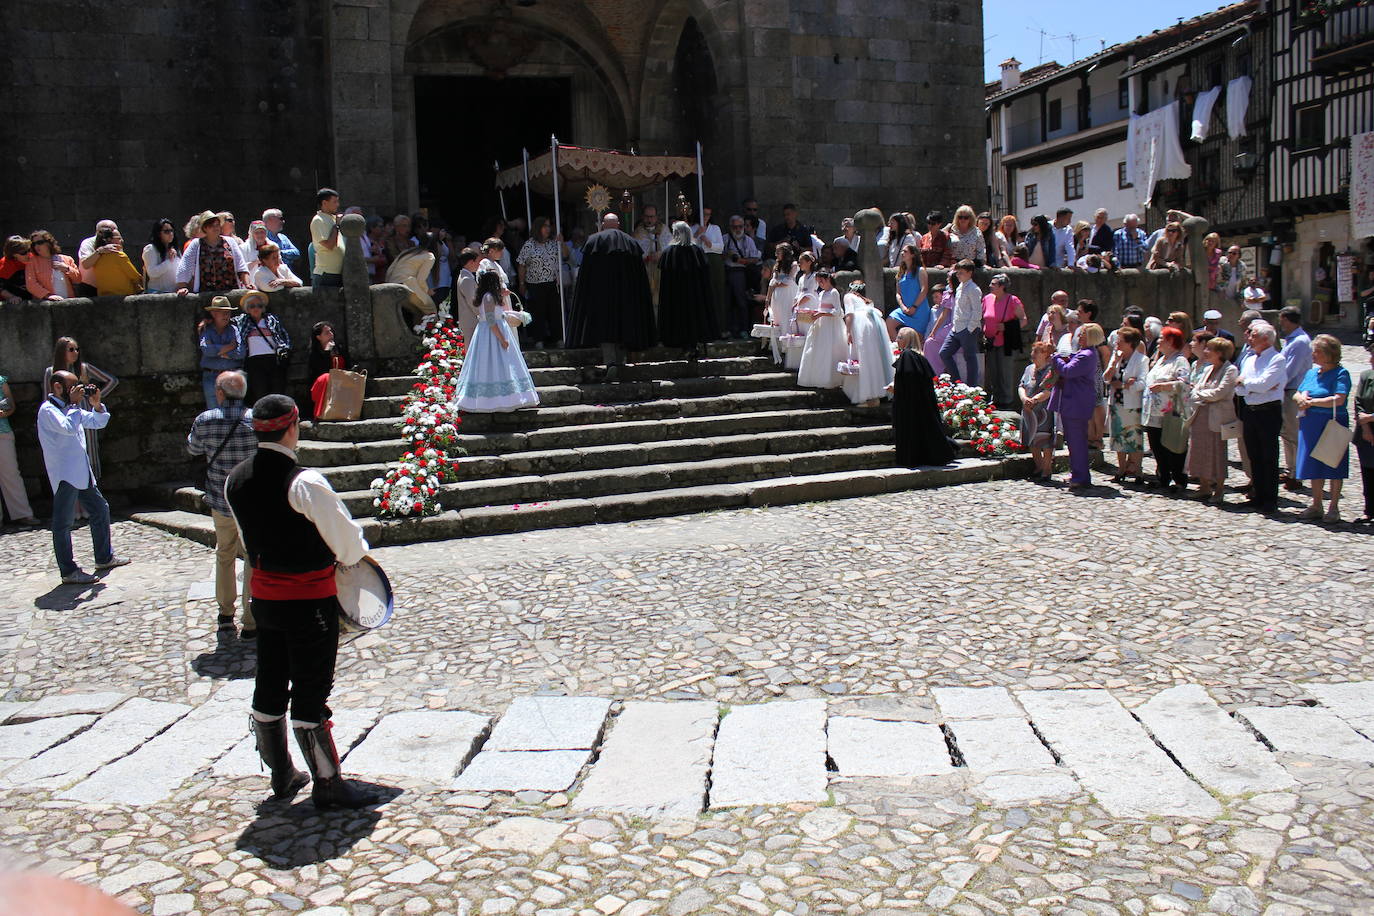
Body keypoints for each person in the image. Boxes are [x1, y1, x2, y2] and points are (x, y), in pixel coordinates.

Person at [224, 393, 375, 809]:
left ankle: (281, 774)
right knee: (311, 689)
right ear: (293, 427)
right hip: (310, 601)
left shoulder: (234, 479)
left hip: (264, 602)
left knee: (270, 681)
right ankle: (328, 784)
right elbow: (348, 545)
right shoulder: (303, 482)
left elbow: (247, 540)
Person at [38, 370, 131, 584]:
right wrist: (73, 405)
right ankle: (68, 571)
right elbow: (69, 428)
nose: (78, 392)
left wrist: (97, 404)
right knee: (63, 522)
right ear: (58, 387)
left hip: (81, 471)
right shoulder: (48, 410)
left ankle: (104, 557)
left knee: (100, 509)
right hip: (65, 474)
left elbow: (98, 422)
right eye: (73, 387)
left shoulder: (72, 408)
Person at [187, 370, 257, 637]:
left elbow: (193, 449)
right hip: (251, 502)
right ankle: (251, 619)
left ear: (219, 393)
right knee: (252, 556)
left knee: (224, 554)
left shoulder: (205, 421)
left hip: (220, 498)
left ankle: (225, 613)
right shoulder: (256, 421)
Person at [567, 213, 657, 379]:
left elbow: (586, 273)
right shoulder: (631, 242)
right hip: (626, 295)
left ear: (602, 224)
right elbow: (639, 274)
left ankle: (611, 363)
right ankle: (620, 363)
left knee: (605, 328)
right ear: (618, 224)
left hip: (601, 295)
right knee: (623, 325)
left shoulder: (594, 241)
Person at [451, 270, 539, 412]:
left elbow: (498, 313)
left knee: (503, 364)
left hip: (496, 330)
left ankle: (510, 397)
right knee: (493, 363)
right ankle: (492, 401)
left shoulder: (491, 297)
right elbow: (491, 321)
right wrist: (502, 339)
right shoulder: (488, 298)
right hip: (492, 334)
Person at [1293, 334, 1352, 521]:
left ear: (1328, 354)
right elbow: (1298, 391)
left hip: (1331, 423)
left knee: (1332, 463)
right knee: (1313, 464)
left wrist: (1313, 402)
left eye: (1316, 351)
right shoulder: (1312, 373)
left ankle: (1333, 507)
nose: (1313, 354)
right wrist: (1300, 399)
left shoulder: (1341, 373)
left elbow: (1339, 398)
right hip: (1310, 423)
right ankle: (1316, 504)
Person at [44, 337, 117, 488]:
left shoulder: (84, 368)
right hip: (61, 418)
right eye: (71, 349)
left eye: (77, 349)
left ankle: (90, 488)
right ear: (61, 351)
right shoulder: (51, 372)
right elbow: (47, 396)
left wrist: (94, 397)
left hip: (83, 414)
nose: (75, 352)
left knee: (88, 451)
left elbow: (112, 381)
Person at [1235, 319, 1286, 512]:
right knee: (1253, 455)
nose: (1249, 337)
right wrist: (1250, 386)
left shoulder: (1277, 359)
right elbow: (1239, 387)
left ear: (1265, 339)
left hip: (1268, 412)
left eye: (1254, 335)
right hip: (1250, 410)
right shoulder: (1249, 359)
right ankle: (1257, 493)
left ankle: (1270, 498)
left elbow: (1264, 384)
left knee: (1269, 456)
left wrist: (1248, 385)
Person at [890, 328, 956, 467]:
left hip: (911, 403)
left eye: (900, 337)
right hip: (922, 403)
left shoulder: (908, 356)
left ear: (907, 339)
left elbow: (908, 378)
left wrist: (895, 388)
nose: (897, 340)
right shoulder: (919, 357)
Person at [1187, 335, 1239, 503]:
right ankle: (1204, 486)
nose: (1206, 352)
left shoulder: (1230, 370)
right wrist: (1200, 394)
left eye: (1210, 349)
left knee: (1216, 452)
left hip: (1216, 417)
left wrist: (1200, 394)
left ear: (1220, 353)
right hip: (1201, 415)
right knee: (1199, 450)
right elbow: (1196, 387)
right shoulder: (1208, 369)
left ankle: (1219, 489)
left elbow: (1220, 393)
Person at [1050, 325, 1102, 490]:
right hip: (1075, 401)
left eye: (1083, 335)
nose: (1079, 337)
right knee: (1073, 441)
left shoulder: (1086, 355)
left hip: (1076, 402)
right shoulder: (1085, 353)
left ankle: (1081, 476)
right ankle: (1077, 473)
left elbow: (1067, 371)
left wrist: (1056, 357)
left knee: (1077, 441)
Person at [1142, 326, 1191, 493]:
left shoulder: (1180, 360)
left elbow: (1184, 384)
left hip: (1170, 412)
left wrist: (1164, 386)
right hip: (1154, 411)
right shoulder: (1161, 359)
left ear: (1171, 341)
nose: (1158, 341)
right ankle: (1163, 477)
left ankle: (1179, 479)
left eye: (1162, 338)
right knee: (1157, 446)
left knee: (1173, 445)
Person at [656, 221, 717, 353]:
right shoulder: (697, 251)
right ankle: (693, 345)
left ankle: (682, 344)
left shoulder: (669, 252)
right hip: (695, 296)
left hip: (675, 296)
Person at [1105, 327, 1148, 484]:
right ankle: (1121, 469)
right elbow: (1106, 378)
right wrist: (1113, 364)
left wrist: (1123, 385)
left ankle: (1137, 470)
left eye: (1120, 341)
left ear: (1130, 343)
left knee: (1134, 438)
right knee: (1118, 438)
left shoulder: (1141, 360)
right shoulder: (1116, 357)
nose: (1117, 343)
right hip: (1116, 403)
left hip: (1131, 404)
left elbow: (1142, 383)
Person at [841, 280, 893, 406]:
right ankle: (876, 393)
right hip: (873, 325)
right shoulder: (867, 301)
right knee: (873, 359)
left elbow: (850, 314)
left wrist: (848, 331)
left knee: (863, 358)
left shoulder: (849, 296)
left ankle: (866, 395)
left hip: (860, 325)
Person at [516, 217, 566, 348]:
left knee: (555, 312)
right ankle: (539, 339)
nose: (548, 229)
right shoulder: (529, 244)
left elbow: (565, 255)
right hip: (535, 284)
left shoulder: (553, 243)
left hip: (552, 283)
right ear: (538, 228)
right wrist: (521, 283)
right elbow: (521, 264)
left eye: (549, 226)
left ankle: (558, 338)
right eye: (545, 226)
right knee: (538, 312)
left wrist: (562, 242)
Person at [1277, 305, 1313, 489]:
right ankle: (1290, 469)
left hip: (1293, 390)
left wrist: (1276, 382)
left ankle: (1297, 474)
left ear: (1288, 320)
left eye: (1282, 320)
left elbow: (1291, 370)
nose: (1280, 324)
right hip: (1287, 390)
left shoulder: (1299, 341)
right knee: (1287, 433)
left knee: (1294, 434)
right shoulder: (1292, 339)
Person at [236, 291, 290, 405]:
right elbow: (225, 321)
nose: (256, 308)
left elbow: (283, 336)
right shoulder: (243, 320)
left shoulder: (271, 319)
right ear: (247, 309)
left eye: (259, 306)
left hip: (273, 359)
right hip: (254, 362)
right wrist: (207, 320)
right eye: (252, 306)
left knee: (277, 391)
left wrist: (284, 349)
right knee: (260, 392)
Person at [980, 274, 1027, 408]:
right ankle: (996, 399)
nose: (990, 286)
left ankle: (1006, 402)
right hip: (990, 340)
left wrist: (1006, 327)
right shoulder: (987, 299)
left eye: (993, 284)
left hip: (1006, 341)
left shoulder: (1013, 301)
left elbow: (1023, 320)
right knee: (993, 372)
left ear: (1002, 286)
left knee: (1005, 372)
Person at [0, 369, 40, 525]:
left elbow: (10, 405)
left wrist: (5, 411)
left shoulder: (1, 381)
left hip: (2, 431)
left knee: (11, 473)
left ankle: (23, 513)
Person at [176, 212, 248, 295]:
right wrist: (182, 287)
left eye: (217, 225)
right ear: (205, 228)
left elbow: (241, 265)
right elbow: (185, 267)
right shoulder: (196, 244)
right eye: (211, 225)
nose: (215, 228)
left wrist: (247, 283)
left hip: (230, 291)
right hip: (205, 293)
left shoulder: (230, 242)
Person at [796, 270, 846, 389]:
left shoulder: (834, 292)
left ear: (828, 279)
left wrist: (821, 314)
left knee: (830, 350)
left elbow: (838, 312)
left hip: (831, 325)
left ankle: (831, 379)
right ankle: (819, 378)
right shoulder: (822, 293)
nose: (820, 284)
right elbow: (820, 308)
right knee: (819, 350)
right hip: (821, 324)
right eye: (818, 282)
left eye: (821, 281)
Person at [938, 259, 982, 386]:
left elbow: (977, 312)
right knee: (944, 353)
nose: (958, 275)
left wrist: (970, 328)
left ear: (969, 273)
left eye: (961, 273)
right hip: (956, 328)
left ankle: (971, 388)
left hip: (967, 329)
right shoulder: (961, 287)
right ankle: (957, 383)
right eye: (957, 273)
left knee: (970, 358)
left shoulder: (973, 289)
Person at [1018, 340, 1057, 479]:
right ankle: (1039, 466)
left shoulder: (1051, 370)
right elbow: (1022, 385)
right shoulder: (1029, 369)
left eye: (1036, 352)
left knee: (1044, 440)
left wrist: (1035, 400)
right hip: (1028, 409)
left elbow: (1049, 390)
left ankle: (1047, 469)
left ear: (1046, 354)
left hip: (1043, 410)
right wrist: (1024, 399)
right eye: (1032, 351)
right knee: (1031, 439)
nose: (1032, 354)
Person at [198, 297, 245, 409]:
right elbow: (206, 350)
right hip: (211, 375)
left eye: (228, 313)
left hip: (233, 375)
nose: (226, 316)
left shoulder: (234, 329)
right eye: (223, 313)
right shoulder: (206, 330)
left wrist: (219, 352)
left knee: (236, 411)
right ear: (213, 314)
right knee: (214, 412)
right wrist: (229, 347)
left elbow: (241, 352)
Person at [306, 321, 351, 420]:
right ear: (318, 337)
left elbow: (349, 365)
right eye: (327, 333)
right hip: (324, 386)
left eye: (331, 332)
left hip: (342, 383)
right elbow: (322, 372)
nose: (331, 334)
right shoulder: (314, 354)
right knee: (326, 377)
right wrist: (327, 353)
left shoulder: (339, 348)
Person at [887, 243, 930, 341]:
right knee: (889, 322)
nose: (902, 253)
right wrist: (903, 307)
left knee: (917, 338)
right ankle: (898, 348)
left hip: (919, 310)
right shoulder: (900, 273)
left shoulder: (920, 271)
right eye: (902, 251)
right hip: (904, 309)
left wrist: (914, 307)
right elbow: (898, 293)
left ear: (913, 255)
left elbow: (924, 290)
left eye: (905, 251)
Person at [26, 230, 82, 301]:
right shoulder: (32, 262)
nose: (36, 246)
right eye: (33, 244)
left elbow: (78, 280)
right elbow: (31, 284)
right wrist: (47, 295)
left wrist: (67, 268)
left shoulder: (67, 259)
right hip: (46, 304)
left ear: (49, 243)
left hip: (68, 301)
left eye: (39, 242)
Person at [1352, 344, 1374, 524]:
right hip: (1365, 434)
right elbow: (1358, 401)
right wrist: (1366, 426)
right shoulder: (1367, 376)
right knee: (1368, 472)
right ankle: (1369, 509)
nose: (1371, 360)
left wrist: (1371, 418)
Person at [386, 243, 436, 320]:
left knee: (417, 312)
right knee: (431, 309)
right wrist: (427, 291)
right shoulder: (429, 256)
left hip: (392, 286)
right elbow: (421, 279)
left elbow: (390, 270)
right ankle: (435, 331)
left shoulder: (406, 252)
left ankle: (417, 331)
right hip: (408, 286)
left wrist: (388, 285)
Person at [90, 227, 143, 296]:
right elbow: (135, 276)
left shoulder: (96, 257)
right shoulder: (119, 256)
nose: (122, 240)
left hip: (103, 298)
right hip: (123, 297)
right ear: (109, 239)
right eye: (119, 238)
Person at [310, 188, 344, 290]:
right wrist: (337, 226)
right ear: (324, 203)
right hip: (326, 274)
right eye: (334, 202)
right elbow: (329, 245)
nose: (337, 205)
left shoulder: (333, 218)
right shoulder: (318, 220)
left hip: (338, 272)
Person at [76, 219, 118, 297]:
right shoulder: (87, 243)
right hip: (90, 287)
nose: (113, 233)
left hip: (110, 287)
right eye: (109, 230)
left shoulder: (115, 242)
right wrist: (99, 251)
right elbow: (85, 264)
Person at [140, 220, 181, 294]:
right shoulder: (151, 249)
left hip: (174, 293)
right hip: (157, 294)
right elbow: (152, 272)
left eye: (172, 231)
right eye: (166, 231)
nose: (171, 234)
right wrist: (169, 261)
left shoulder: (174, 249)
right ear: (159, 234)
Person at [767, 243, 797, 336]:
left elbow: (788, 281)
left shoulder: (793, 265)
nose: (776, 254)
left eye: (778, 252)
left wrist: (777, 284)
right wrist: (768, 297)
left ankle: (787, 338)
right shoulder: (777, 266)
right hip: (777, 295)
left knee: (786, 314)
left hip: (788, 294)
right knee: (777, 315)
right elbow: (772, 282)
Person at [452, 250, 480, 345]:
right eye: (477, 262)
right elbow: (473, 302)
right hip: (470, 320)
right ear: (471, 262)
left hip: (470, 320)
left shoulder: (466, 277)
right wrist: (483, 313)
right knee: (471, 349)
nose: (478, 265)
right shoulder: (466, 279)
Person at [923, 283, 952, 375]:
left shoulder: (949, 310)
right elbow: (930, 325)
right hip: (935, 337)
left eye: (937, 297)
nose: (935, 300)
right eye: (933, 297)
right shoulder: (933, 310)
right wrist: (926, 336)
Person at [262, 208, 301, 273]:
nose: (283, 221)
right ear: (270, 219)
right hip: (270, 275)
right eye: (280, 218)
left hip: (286, 274)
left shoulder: (283, 237)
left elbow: (296, 253)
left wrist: (280, 253)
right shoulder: (261, 238)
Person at [2, 235, 33, 304]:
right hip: (12, 303)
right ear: (13, 255)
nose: (28, 254)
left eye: (28, 250)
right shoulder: (5, 266)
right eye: (23, 253)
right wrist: (11, 297)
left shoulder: (32, 257)